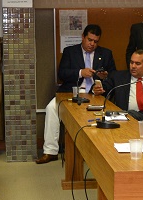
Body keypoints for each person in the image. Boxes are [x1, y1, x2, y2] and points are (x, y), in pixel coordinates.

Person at [35, 24, 115, 164]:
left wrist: (104, 80)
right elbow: (62, 74)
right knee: (51, 108)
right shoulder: (70, 51)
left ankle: (88, 154)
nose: (92, 44)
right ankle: (50, 151)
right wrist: (80, 72)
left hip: (94, 94)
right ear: (83, 37)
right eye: (89, 40)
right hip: (71, 92)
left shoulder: (106, 53)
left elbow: (114, 77)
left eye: (95, 41)